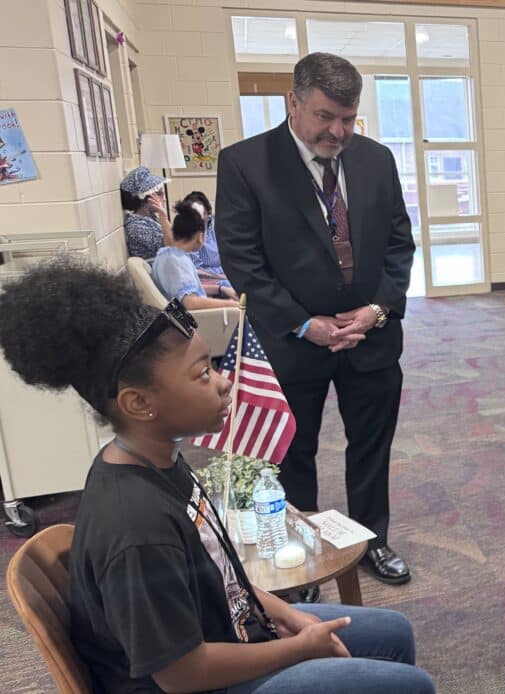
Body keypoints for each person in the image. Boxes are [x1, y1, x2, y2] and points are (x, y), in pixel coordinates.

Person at [0, 256, 434, 694]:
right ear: (139, 403)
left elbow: (222, 577)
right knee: (412, 685)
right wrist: (298, 649)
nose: (224, 382)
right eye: (203, 373)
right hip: (198, 681)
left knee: (394, 633)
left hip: (227, 628)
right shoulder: (136, 527)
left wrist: (288, 615)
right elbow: (181, 674)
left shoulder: (159, 459)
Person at [216, 52, 416, 585]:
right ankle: (299, 551)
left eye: (348, 119)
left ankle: (372, 538)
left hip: (370, 337)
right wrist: (306, 324)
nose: (338, 132)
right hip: (292, 341)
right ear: (294, 102)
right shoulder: (245, 164)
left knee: (371, 446)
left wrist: (377, 310)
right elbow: (243, 263)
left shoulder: (376, 160)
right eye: (326, 117)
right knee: (293, 452)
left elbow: (400, 244)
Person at [153, 199, 240, 309]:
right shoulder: (178, 261)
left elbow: (189, 289)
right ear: (200, 236)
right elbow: (191, 303)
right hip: (198, 318)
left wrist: (221, 289)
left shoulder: (165, 254)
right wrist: (233, 305)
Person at [182, 190, 234, 295]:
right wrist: (221, 278)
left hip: (227, 273)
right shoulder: (186, 233)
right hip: (207, 280)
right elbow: (196, 271)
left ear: (208, 212)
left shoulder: (219, 223)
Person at [120, 166, 172, 260]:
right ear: (144, 198)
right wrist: (163, 217)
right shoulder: (136, 226)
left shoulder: (151, 218)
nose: (164, 199)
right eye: (159, 194)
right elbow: (172, 247)